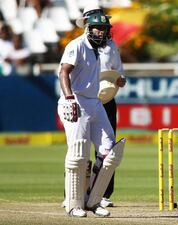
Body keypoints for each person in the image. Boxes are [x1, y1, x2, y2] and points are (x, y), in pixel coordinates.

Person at [58, 10, 126, 218]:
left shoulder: (103, 49)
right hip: (76, 100)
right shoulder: (76, 45)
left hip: (95, 102)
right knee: (79, 153)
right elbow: (64, 72)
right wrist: (69, 98)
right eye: (98, 28)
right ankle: (73, 204)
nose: (102, 33)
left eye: (105, 29)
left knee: (109, 151)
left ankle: (94, 201)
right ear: (88, 28)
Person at [75, 4, 126, 209]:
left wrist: (120, 80)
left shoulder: (111, 45)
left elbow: (119, 72)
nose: (101, 26)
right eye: (96, 20)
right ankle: (75, 193)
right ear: (87, 22)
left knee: (108, 148)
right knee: (80, 147)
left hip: (106, 99)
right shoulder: (78, 45)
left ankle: (103, 193)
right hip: (85, 100)